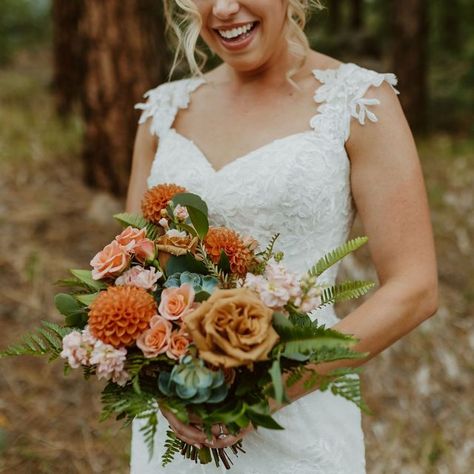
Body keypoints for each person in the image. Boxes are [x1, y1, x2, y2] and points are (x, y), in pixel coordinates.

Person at [126, 1, 438, 472]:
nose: (226, 8)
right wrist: (157, 379)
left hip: (299, 417)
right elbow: (130, 267)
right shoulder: (164, 110)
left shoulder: (358, 101)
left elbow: (414, 288)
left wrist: (269, 391)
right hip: (176, 420)